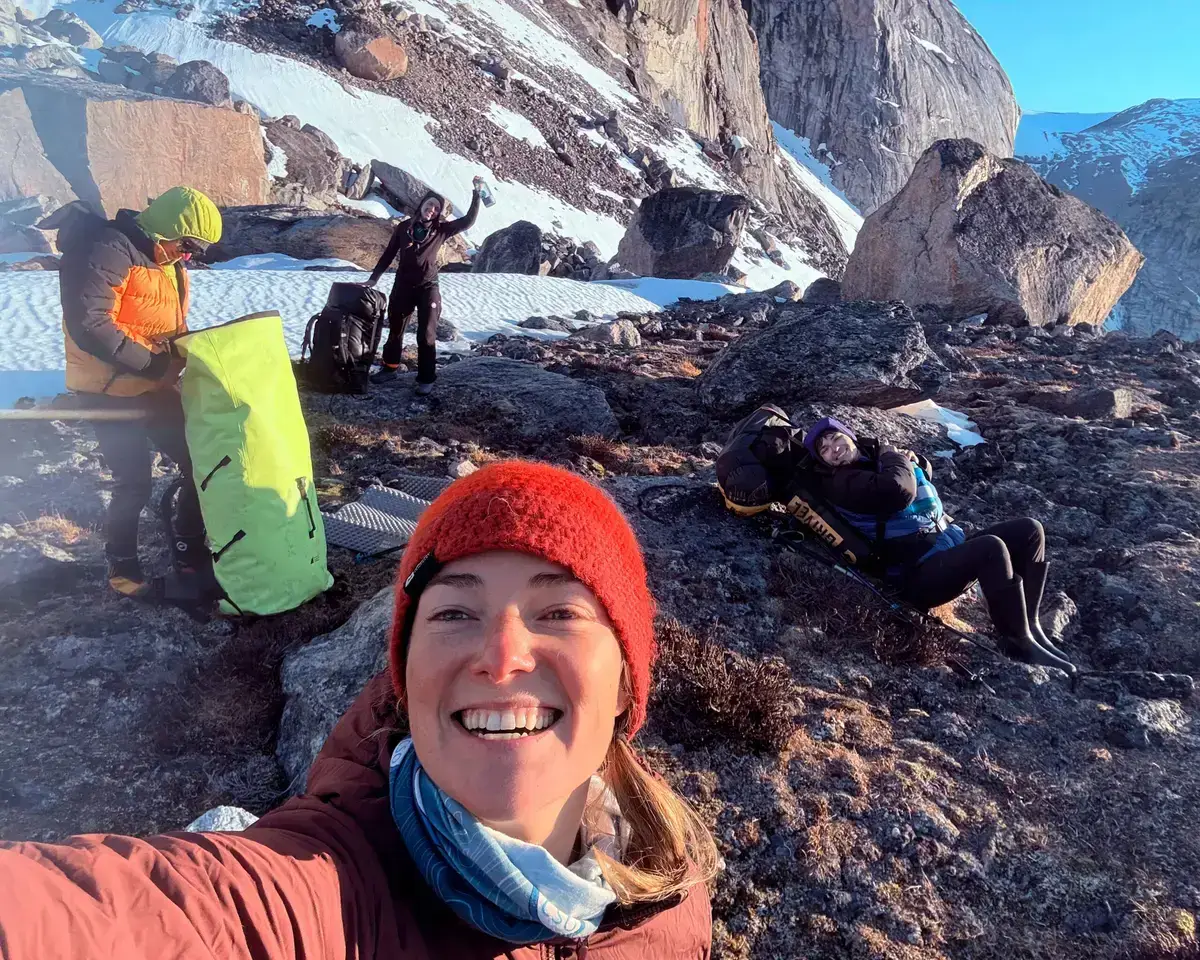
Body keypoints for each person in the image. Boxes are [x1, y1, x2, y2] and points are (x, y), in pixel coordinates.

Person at [0, 461, 719, 958]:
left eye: (558, 612)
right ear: (405, 678)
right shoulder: (332, 884)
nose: (502, 657)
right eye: (454, 613)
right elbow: (145, 919)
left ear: (625, 683)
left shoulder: (671, 886)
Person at [803, 416, 1076, 674]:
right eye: (824, 450)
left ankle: (1028, 624)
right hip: (916, 575)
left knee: (1030, 530)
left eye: (835, 438)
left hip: (943, 547)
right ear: (823, 462)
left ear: (850, 436)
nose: (833, 449)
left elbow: (919, 478)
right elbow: (899, 490)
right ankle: (1017, 641)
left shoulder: (871, 462)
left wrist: (914, 459)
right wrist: (894, 456)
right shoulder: (843, 483)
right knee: (990, 548)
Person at [56, 186, 223, 600]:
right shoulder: (107, 248)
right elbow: (91, 323)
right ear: (167, 228)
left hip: (153, 384)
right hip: (109, 391)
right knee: (133, 482)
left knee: (201, 461)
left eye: (196, 250)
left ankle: (189, 550)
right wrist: (155, 366)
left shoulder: (166, 262)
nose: (189, 256)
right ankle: (123, 571)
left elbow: (164, 324)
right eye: (187, 245)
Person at [367, 180, 483, 395]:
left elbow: (468, 221)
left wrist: (477, 193)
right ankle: (390, 368)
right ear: (421, 205)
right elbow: (389, 254)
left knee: (427, 333)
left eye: (437, 208)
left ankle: (426, 378)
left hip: (428, 287)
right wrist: (374, 279)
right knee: (396, 329)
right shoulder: (404, 228)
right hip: (403, 285)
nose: (432, 210)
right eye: (429, 205)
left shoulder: (441, 230)